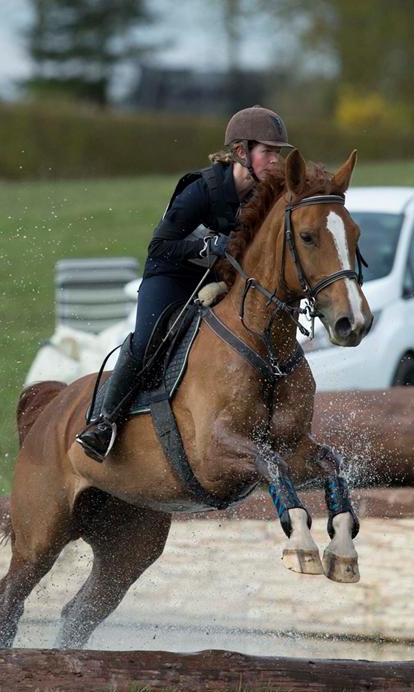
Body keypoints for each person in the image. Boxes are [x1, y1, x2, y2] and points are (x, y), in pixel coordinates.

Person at [76, 105, 293, 462]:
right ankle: (104, 422)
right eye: (268, 152)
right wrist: (209, 245)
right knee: (147, 343)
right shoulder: (201, 190)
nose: (275, 161)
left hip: (216, 280)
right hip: (170, 274)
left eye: (278, 153)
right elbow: (159, 245)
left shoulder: (263, 197)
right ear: (241, 152)